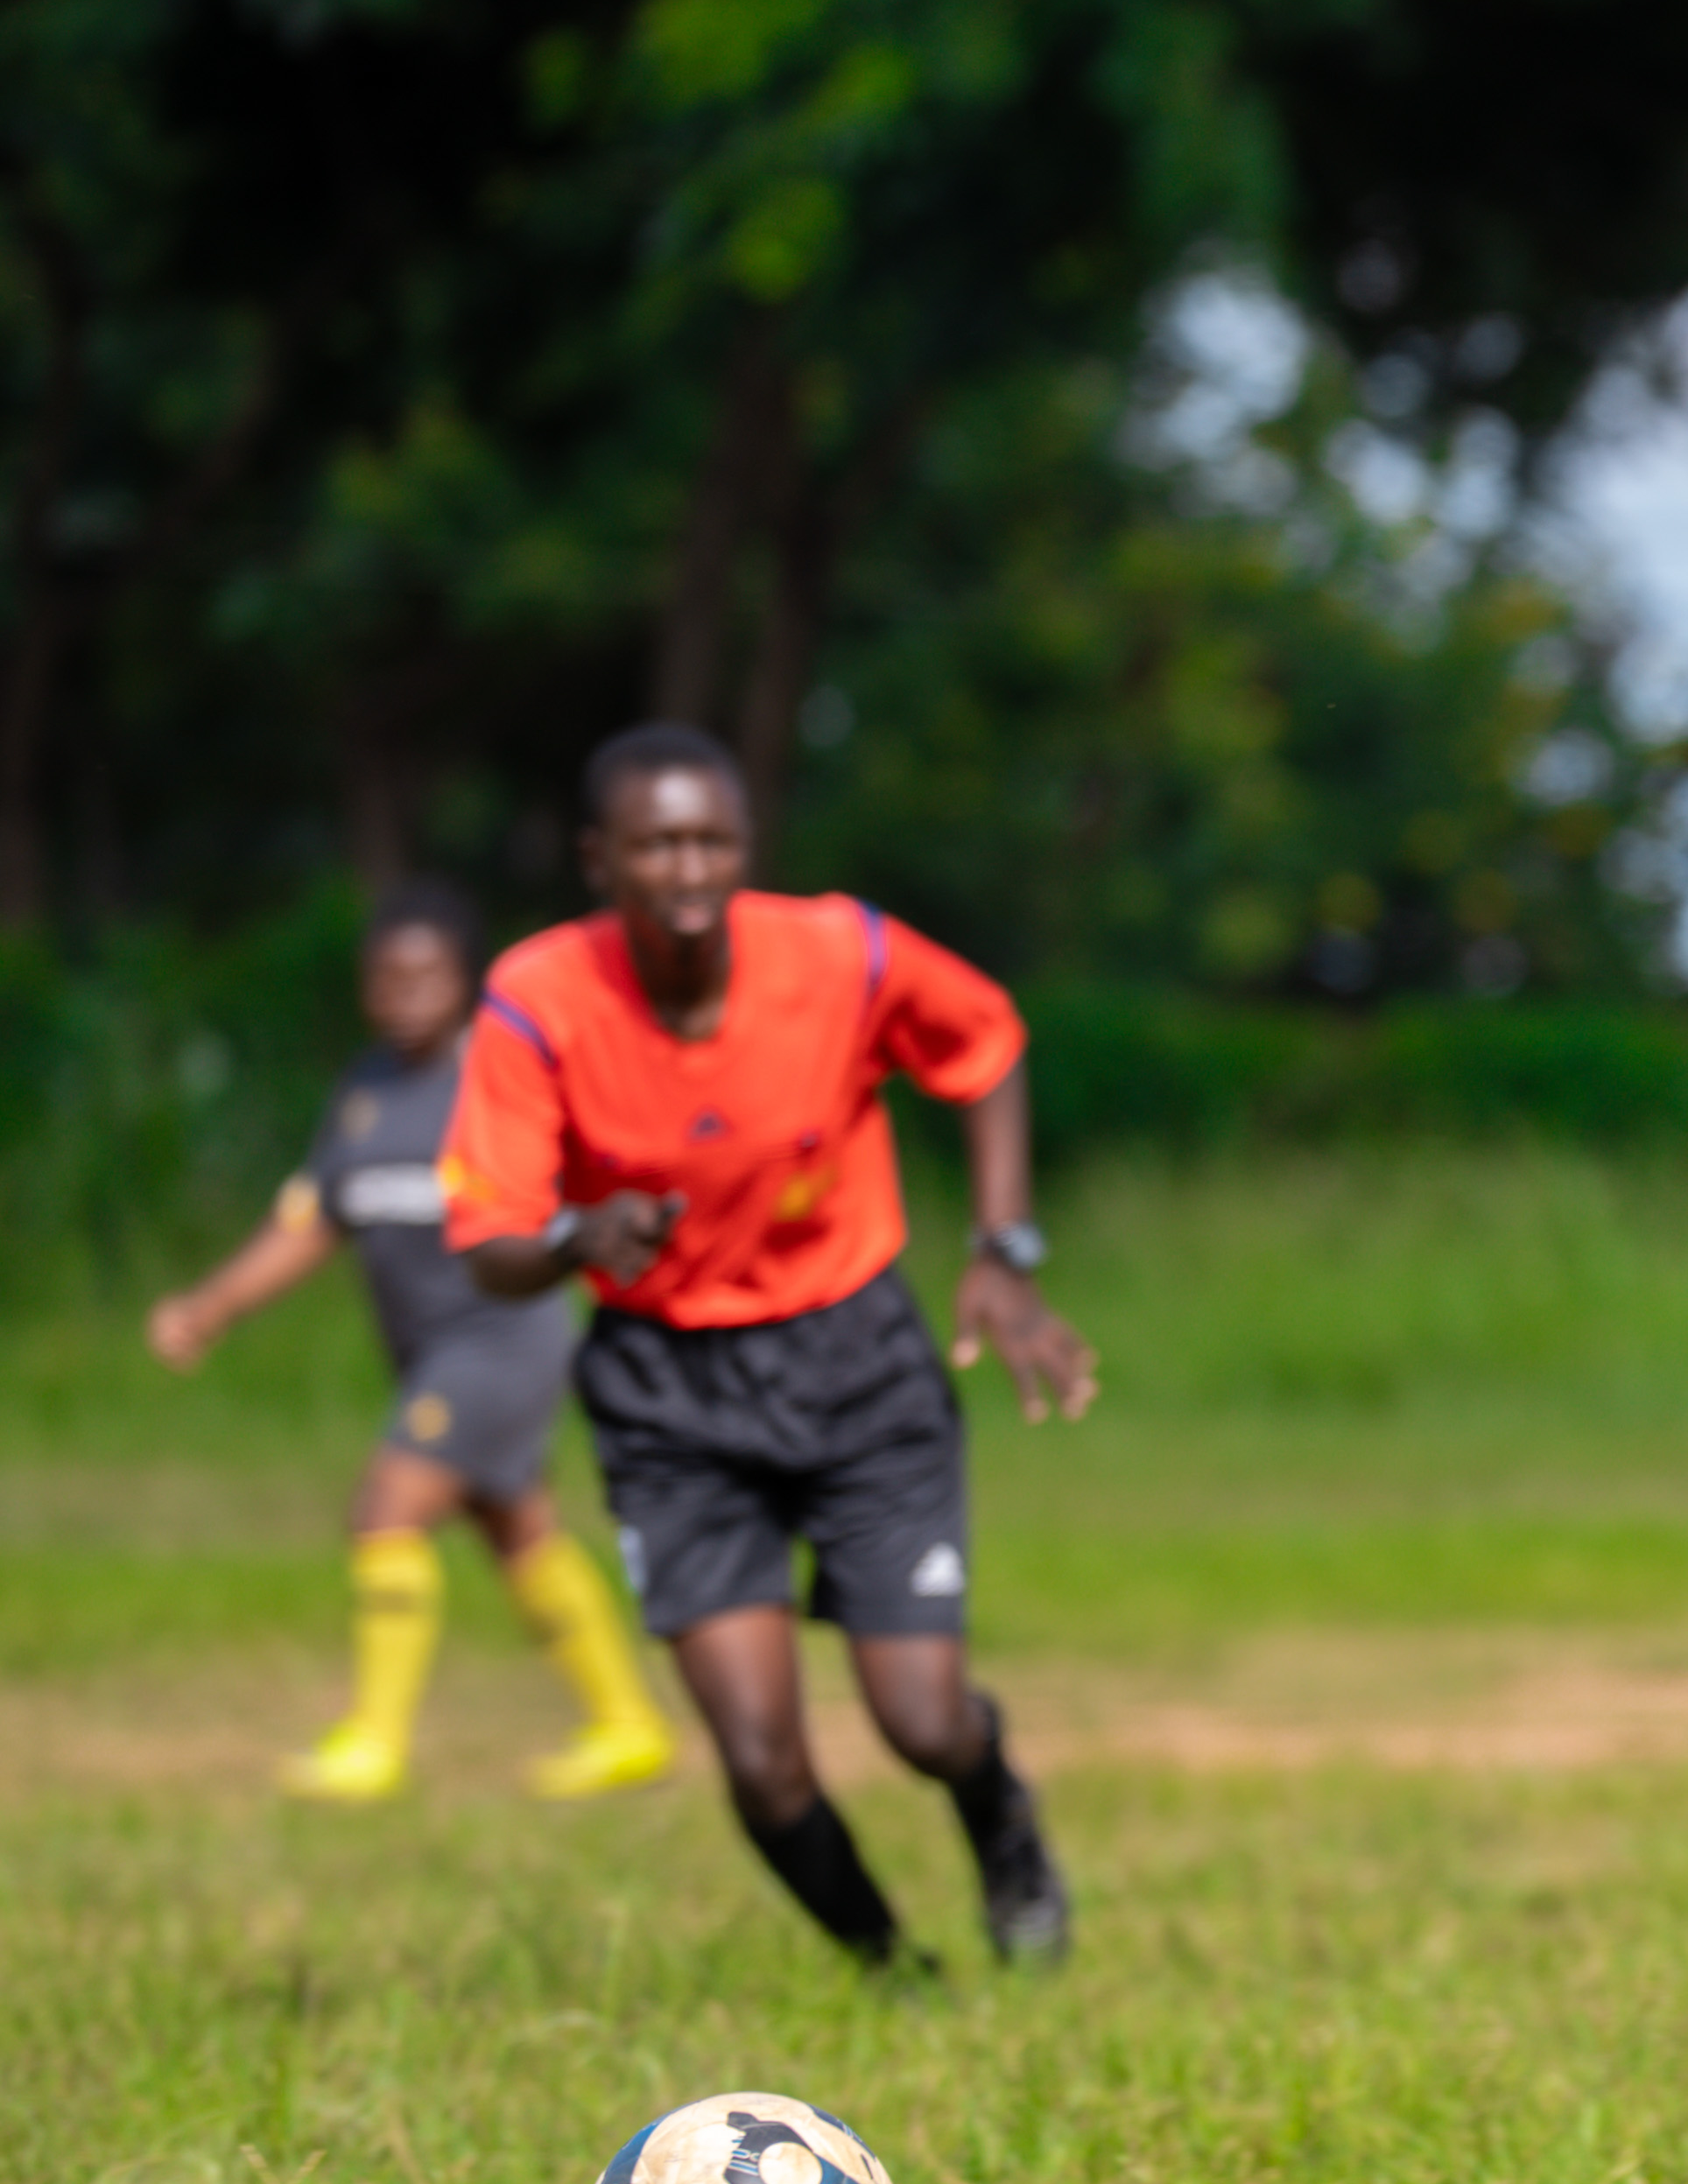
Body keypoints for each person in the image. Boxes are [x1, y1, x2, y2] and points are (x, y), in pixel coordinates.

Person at [445, 726, 1097, 1969]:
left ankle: (1000, 1818)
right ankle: (895, 1977)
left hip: (854, 1357)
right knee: (760, 1757)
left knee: (921, 1720)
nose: (687, 869)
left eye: (712, 840)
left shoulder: (838, 952)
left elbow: (988, 1045)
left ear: (745, 847)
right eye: (654, 844)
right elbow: (489, 1241)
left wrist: (1004, 1250)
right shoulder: (538, 1002)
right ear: (601, 860)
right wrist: (580, 1234)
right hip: (668, 1389)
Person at [144, 885, 682, 1803]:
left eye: (427, 973)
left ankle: (374, 1743)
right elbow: (313, 1219)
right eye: (387, 976)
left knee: (386, 1508)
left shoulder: (500, 1075)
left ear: (465, 980)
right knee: (516, 1529)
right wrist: (214, 1304)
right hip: (428, 1351)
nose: (406, 992)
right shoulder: (366, 1090)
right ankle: (628, 1724)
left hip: (504, 1337)